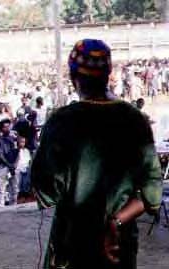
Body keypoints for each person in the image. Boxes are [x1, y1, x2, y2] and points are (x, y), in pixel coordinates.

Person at [31, 39, 162, 269]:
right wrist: (116, 222)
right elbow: (151, 194)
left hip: (72, 246)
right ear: (108, 75)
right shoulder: (135, 120)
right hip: (119, 249)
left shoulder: (60, 122)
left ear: (74, 79)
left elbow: (47, 190)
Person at [0, 119, 18, 207]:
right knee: (1, 188)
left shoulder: (13, 138)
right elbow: (0, 154)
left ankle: (14, 205)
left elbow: (17, 152)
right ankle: (0, 206)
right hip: (3, 165)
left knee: (14, 187)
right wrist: (8, 164)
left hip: (13, 165)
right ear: (1, 128)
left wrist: (14, 165)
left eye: (8, 126)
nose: (7, 128)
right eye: (5, 127)